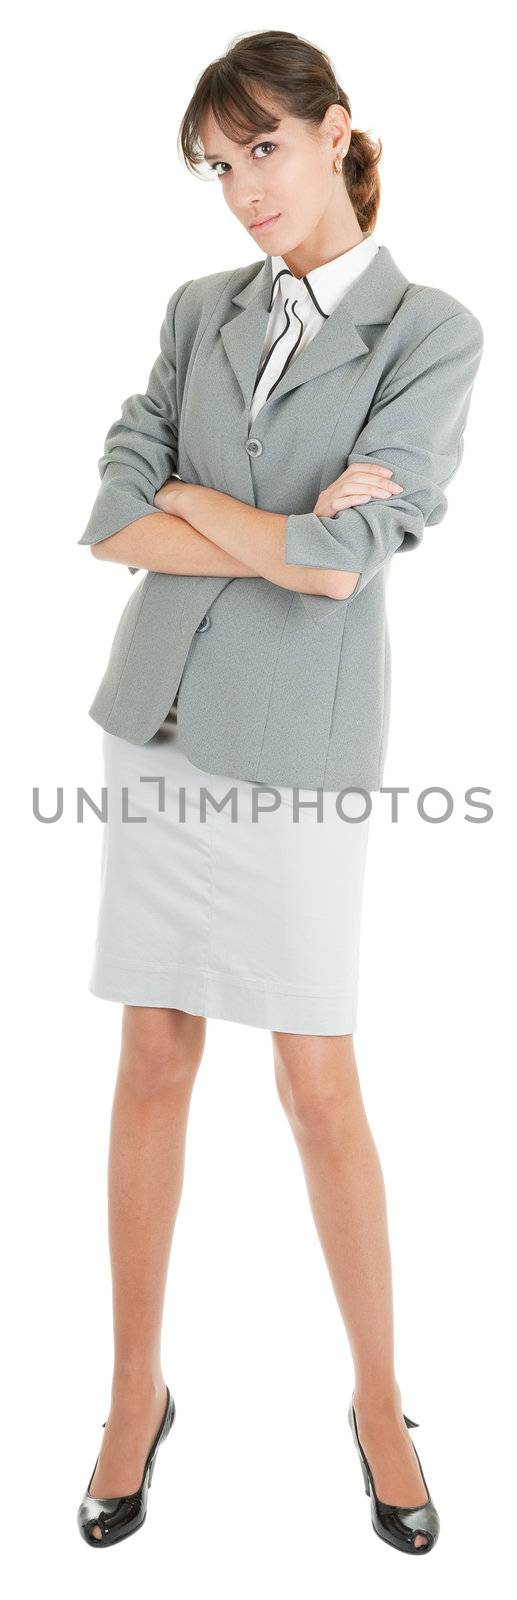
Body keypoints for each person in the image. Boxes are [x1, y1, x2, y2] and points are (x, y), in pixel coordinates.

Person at [76, 30, 483, 1554]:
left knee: (318, 1087)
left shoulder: (429, 330)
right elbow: (116, 521)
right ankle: (133, 1391)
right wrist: (241, 516)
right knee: (154, 1063)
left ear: (332, 135)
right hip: (158, 726)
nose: (241, 189)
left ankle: (378, 1404)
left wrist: (222, 510)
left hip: (300, 752)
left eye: (262, 149)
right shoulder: (195, 312)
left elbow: (339, 572)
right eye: (217, 163)